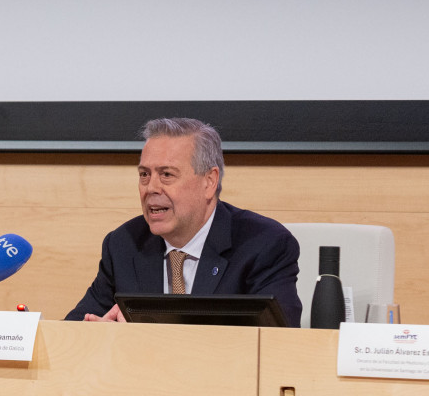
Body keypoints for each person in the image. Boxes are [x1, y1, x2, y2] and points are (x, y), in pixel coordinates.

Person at [65, 117, 303, 326]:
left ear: (209, 182)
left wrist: (141, 340)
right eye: (144, 174)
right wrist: (98, 333)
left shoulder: (264, 244)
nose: (151, 188)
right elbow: (73, 330)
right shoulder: (124, 245)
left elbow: (277, 342)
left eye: (166, 174)